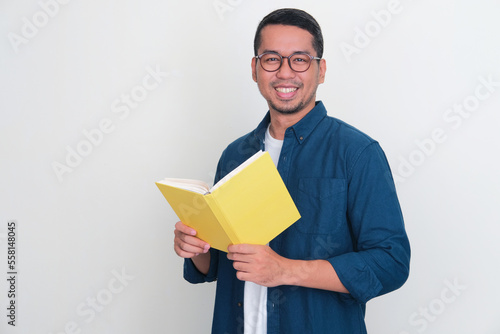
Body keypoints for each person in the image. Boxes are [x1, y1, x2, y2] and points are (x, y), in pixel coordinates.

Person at [173, 8, 410, 334]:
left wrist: (285, 270)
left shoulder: (357, 153)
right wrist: (195, 247)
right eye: (271, 59)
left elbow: (391, 263)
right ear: (255, 69)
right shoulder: (234, 155)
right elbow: (216, 264)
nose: (285, 72)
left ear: (321, 70)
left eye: (300, 59)